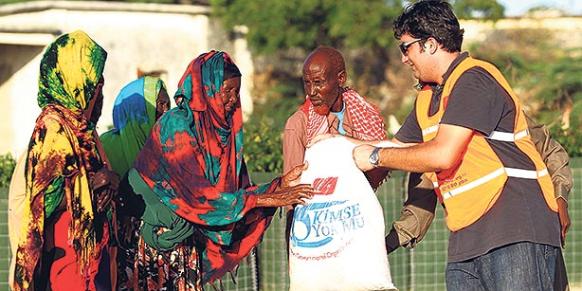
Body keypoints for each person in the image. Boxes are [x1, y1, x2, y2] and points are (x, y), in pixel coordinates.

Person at [352, 1, 567, 289]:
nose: (404, 59)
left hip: (514, 229)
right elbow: (398, 149)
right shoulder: (427, 100)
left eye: (406, 48)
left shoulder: (474, 79)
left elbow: (441, 154)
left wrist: (376, 156)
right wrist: (332, 146)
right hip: (466, 240)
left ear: (430, 44)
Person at [129, 50, 314, 290]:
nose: (233, 99)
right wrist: (267, 198)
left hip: (187, 245)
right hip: (159, 241)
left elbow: (240, 190)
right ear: (206, 90)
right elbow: (200, 197)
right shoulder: (175, 126)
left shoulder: (224, 136)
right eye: (226, 91)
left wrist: (279, 185)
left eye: (237, 92)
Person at [12, 31, 119, 291]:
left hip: (91, 258)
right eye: (95, 82)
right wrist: (91, 187)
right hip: (65, 262)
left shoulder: (83, 128)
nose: (99, 92)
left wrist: (110, 181)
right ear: (75, 80)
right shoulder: (53, 127)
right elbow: (43, 202)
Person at [99, 76, 171, 290]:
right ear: (138, 111)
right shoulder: (106, 148)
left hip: (167, 259)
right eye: (160, 105)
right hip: (121, 258)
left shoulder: (170, 149)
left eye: (168, 104)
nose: (166, 112)